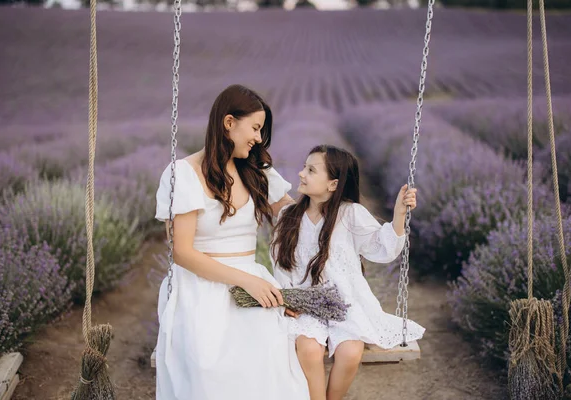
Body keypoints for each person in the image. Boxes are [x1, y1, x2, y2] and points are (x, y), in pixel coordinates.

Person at [154, 84, 310, 399]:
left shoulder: (257, 171)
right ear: (228, 123)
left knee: (268, 361)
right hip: (200, 285)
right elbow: (182, 253)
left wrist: (341, 209)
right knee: (212, 369)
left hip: (251, 279)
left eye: (261, 131)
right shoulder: (183, 174)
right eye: (254, 127)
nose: (258, 138)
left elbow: (297, 219)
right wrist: (247, 281)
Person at [271, 144, 426, 400]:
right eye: (304, 167)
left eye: (311, 170)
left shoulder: (350, 214)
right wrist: (286, 299)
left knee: (351, 352)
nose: (300, 173)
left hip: (345, 305)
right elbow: (281, 262)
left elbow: (382, 247)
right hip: (305, 305)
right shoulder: (289, 216)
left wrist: (399, 214)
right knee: (309, 350)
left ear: (332, 184)